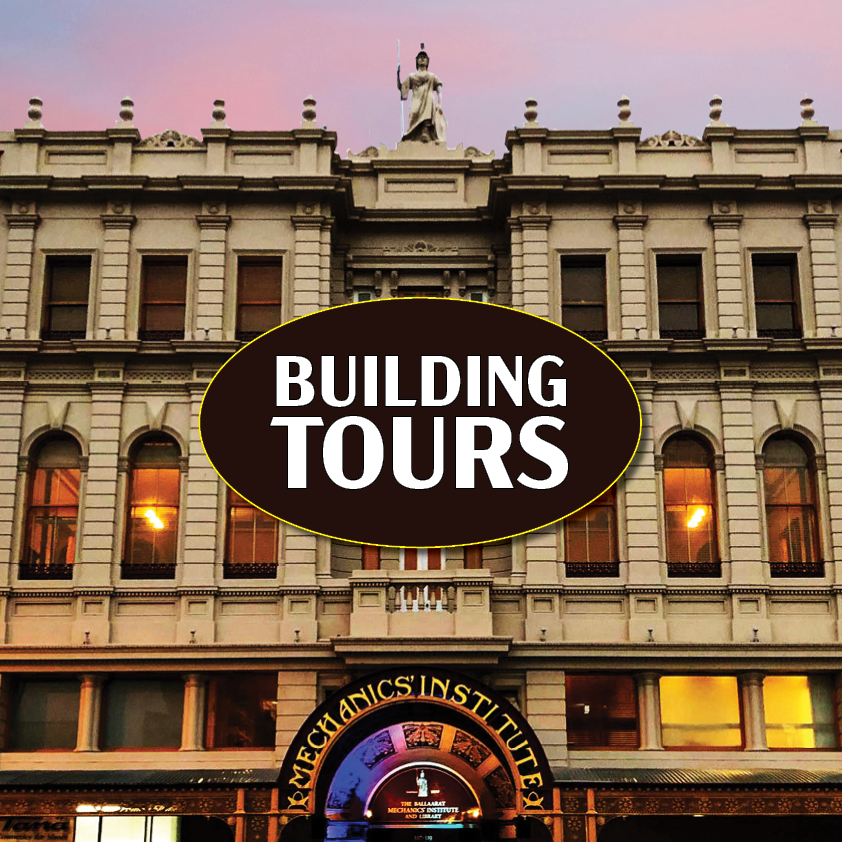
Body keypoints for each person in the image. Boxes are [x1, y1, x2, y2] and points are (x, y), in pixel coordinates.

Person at [398, 45, 447, 143]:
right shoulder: (412, 76)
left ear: (428, 61)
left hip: (428, 98)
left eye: (424, 58)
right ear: (416, 61)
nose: (422, 59)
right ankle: (412, 136)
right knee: (414, 113)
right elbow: (403, 89)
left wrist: (440, 103)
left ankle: (426, 133)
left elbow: (439, 89)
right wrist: (398, 75)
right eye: (420, 58)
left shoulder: (431, 76)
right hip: (416, 98)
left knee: (427, 115)